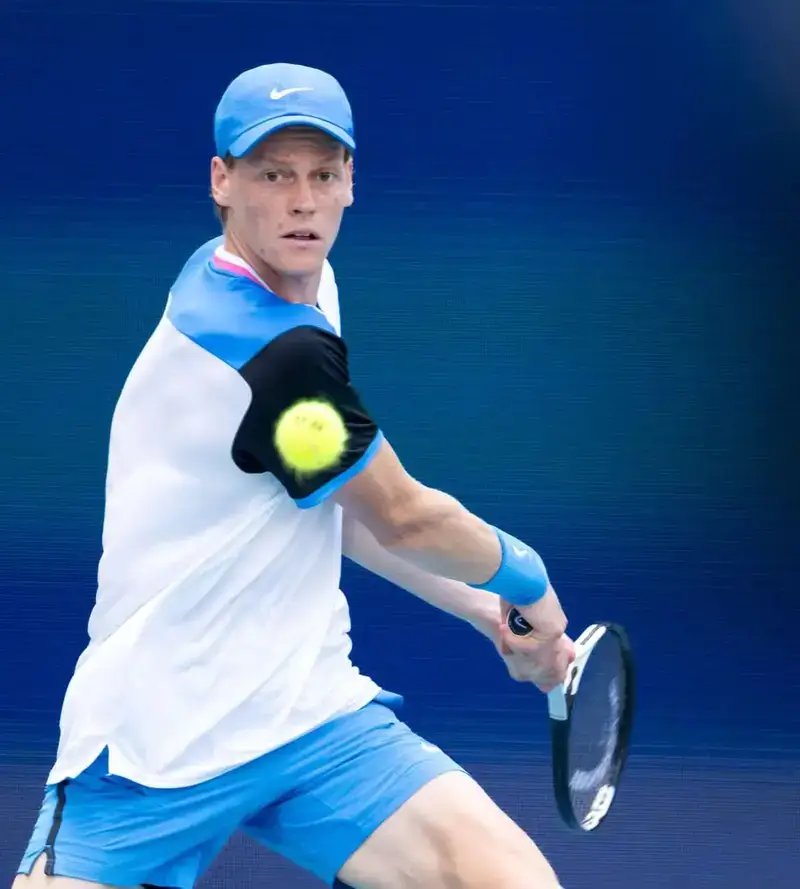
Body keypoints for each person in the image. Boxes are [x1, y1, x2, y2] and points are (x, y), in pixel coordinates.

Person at [13, 63, 576, 889]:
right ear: (222, 182)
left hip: (306, 716)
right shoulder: (266, 345)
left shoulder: (302, 285)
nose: (302, 201)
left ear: (350, 182)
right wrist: (527, 581)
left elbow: (337, 505)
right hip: (152, 743)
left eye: (322, 174)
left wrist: (482, 609)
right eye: (274, 175)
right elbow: (404, 515)